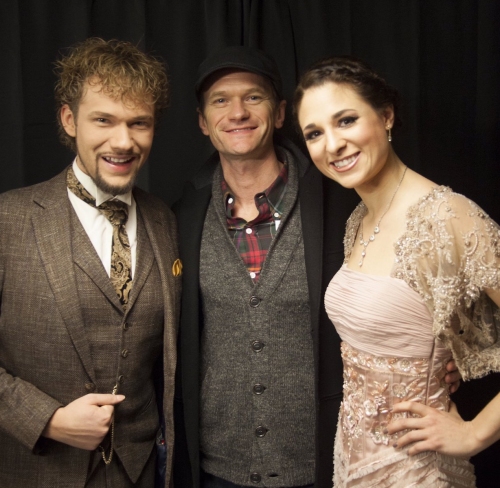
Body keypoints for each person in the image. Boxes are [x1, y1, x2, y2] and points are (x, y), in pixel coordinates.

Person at [172, 47, 460, 488]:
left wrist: (440, 357)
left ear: (280, 112)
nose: (237, 112)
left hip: (327, 461)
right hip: (219, 467)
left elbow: (410, 293)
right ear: (202, 121)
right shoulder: (181, 214)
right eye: (220, 100)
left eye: (253, 97)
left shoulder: (345, 200)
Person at [294, 56, 500, 487]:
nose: (332, 145)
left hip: (416, 468)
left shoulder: (448, 216)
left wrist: (475, 433)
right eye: (315, 133)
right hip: (352, 458)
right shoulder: (359, 219)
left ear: (386, 116)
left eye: (346, 120)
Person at [0, 38, 181, 487]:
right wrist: (47, 419)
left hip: (142, 471)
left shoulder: (165, 220)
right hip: (39, 473)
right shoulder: (8, 219)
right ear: (69, 119)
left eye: (139, 123)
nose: (123, 141)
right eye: (104, 120)